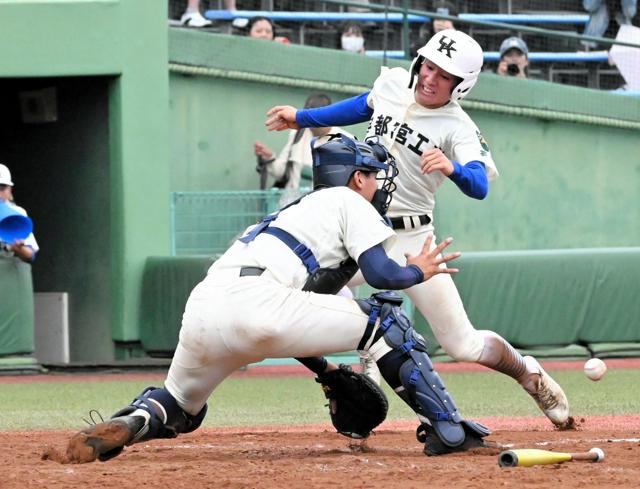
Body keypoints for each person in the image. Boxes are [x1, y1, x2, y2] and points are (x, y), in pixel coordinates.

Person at [61, 135, 492, 463]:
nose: (378, 184)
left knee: (180, 405)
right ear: (356, 177)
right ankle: (449, 429)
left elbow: (296, 309)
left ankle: (132, 422)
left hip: (205, 306)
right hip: (258, 301)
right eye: (373, 176)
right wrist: (418, 269)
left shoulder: (295, 211)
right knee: (385, 323)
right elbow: (382, 274)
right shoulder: (347, 199)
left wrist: (325, 369)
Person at [265, 29, 571, 429]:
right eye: (428, 65)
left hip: (413, 239)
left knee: (462, 343)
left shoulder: (457, 126)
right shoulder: (393, 84)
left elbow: (478, 186)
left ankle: (528, 374)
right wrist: (301, 119)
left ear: (460, 85)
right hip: (358, 227)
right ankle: (361, 362)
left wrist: (454, 168)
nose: (429, 77)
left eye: (443, 75)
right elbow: (363, 106)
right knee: (306, 292)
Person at [254, 93, 353, 194]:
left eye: (315, 119)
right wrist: (269, 158)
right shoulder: (298, 134)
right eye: (308, 118)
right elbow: (282, 173)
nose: (311, 124)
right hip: (290, 204)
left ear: (328, 116)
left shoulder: (345, 141)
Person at [0, 164, 38, 264]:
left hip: (11, 276)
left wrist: (19, 248)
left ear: (10, 190)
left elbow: (30, 255)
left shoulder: (17, 213)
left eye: (2, 188)